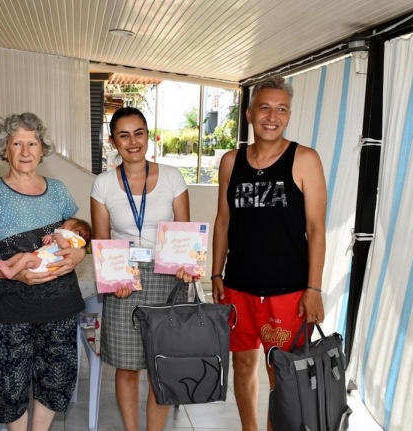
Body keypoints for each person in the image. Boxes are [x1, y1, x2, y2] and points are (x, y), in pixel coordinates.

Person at [211, 76, 326, 431]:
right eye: (265, 107)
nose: (272, 116)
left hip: (288, 291)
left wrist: (314, 289)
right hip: (240, 287)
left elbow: (318, 229)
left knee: (284, 374)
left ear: (288, 116)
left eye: (281, 109)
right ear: (249, 114)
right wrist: (216, 275)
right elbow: (223, 221)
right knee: (243, 365)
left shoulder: (304, 158)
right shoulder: (231, 161)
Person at [0, 112, 87, 431]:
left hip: (59, 306)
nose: (26, 151)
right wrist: (15, 274)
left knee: (56, 377)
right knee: (11, 384)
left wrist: (78, 254)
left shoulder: (58, 191)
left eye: (32, 142)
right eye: (17, 143)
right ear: (5, 149)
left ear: (42, 148)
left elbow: (77, 236)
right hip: (8, 308)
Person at [90, 106, 191, 431]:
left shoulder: (173, 176)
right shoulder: (103, 184)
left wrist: (187, 264)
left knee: (162, 365)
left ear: (148, 136)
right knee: (127, 365)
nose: (133, 142)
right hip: (124, 278)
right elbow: (103, 241)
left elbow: (183, 233)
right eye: (124, 135)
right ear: (113, 141)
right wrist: (113, 277)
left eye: (139, 133)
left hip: (167, 277)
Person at [0, 217, 91, 278]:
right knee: (22, 257)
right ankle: (6, 264)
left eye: (63, 227)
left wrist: (55, 235)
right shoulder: (61, 238)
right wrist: (49, 240)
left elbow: (64, 246)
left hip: (46, 264)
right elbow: (49, 249)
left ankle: (11, 272)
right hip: (42, 261)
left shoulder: (72, 241)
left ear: (75, 233)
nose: (59, 228)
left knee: (26, 256)